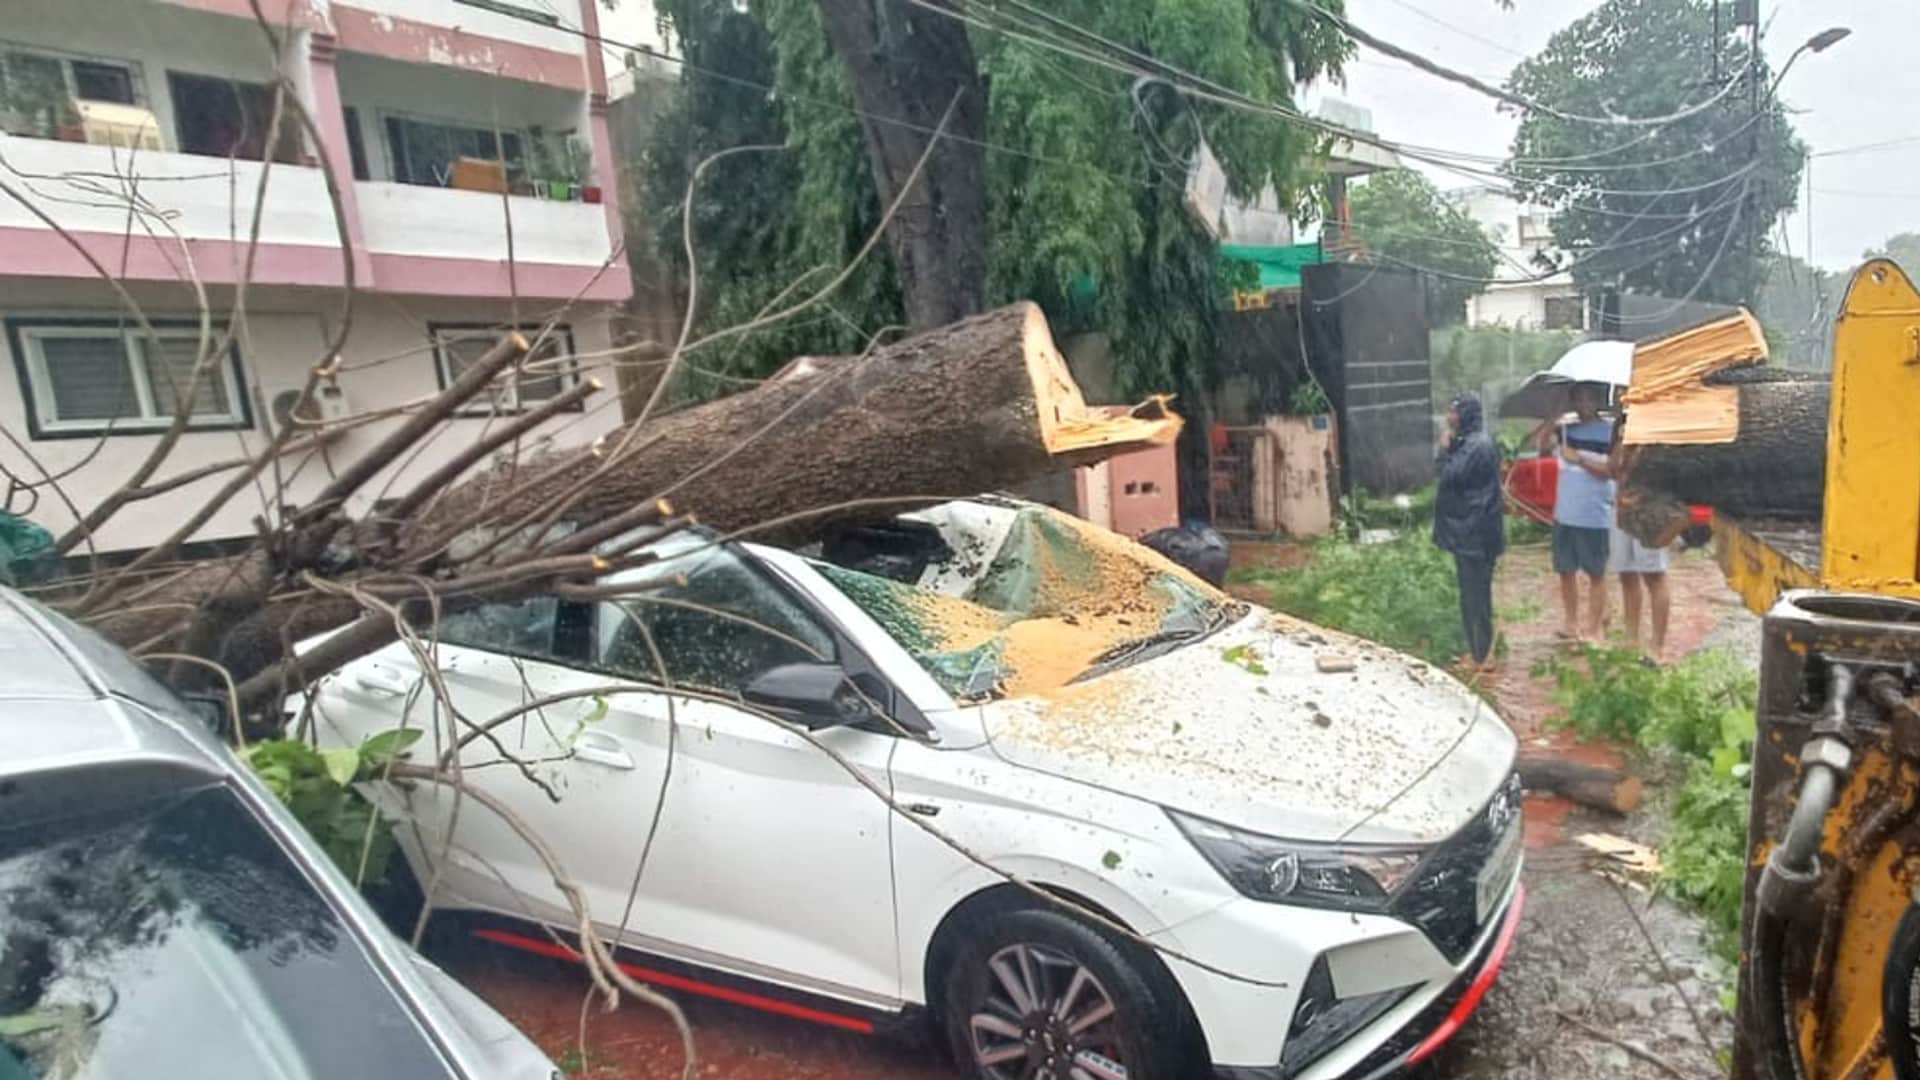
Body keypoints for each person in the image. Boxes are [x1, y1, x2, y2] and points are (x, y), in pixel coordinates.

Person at [1433, 392, 1505, 669]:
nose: (1449, 417)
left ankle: (1483, 656)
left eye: (1453, 412)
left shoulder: (1478, 445)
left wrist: (1444, 447)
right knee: (1469, 595)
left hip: (1477, 535)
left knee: (1477, 597)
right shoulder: (1469, 443)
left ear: (1466, 414)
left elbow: (1450, 477)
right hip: (1468, 533)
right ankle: (1476, 652)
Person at [1539, 384, 1615, 640]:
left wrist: (1579, 459)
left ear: (1597, 400)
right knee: (1566, 570)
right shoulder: (1566, 430)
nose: (1583, 404)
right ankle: (1571, 623)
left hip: (1594, 515)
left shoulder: (1610, 431)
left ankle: (1593, 628)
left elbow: (1611, 471)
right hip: (1565, 513)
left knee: (1596, 572)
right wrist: (1554, 415)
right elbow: (1541, 445)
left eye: (1588, 398)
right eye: (1577, 399)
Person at [1607, 420, 1671, 662]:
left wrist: (1639, 445)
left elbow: (1662, 469)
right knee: (1626, 573)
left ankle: (1657, 647)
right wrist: (1622, 444)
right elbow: (1612, 469)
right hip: (1622, 509)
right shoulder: (1620, 425)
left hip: (1651, 509)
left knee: (1654, 575)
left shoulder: (1657, 423)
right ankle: (1631, 638)